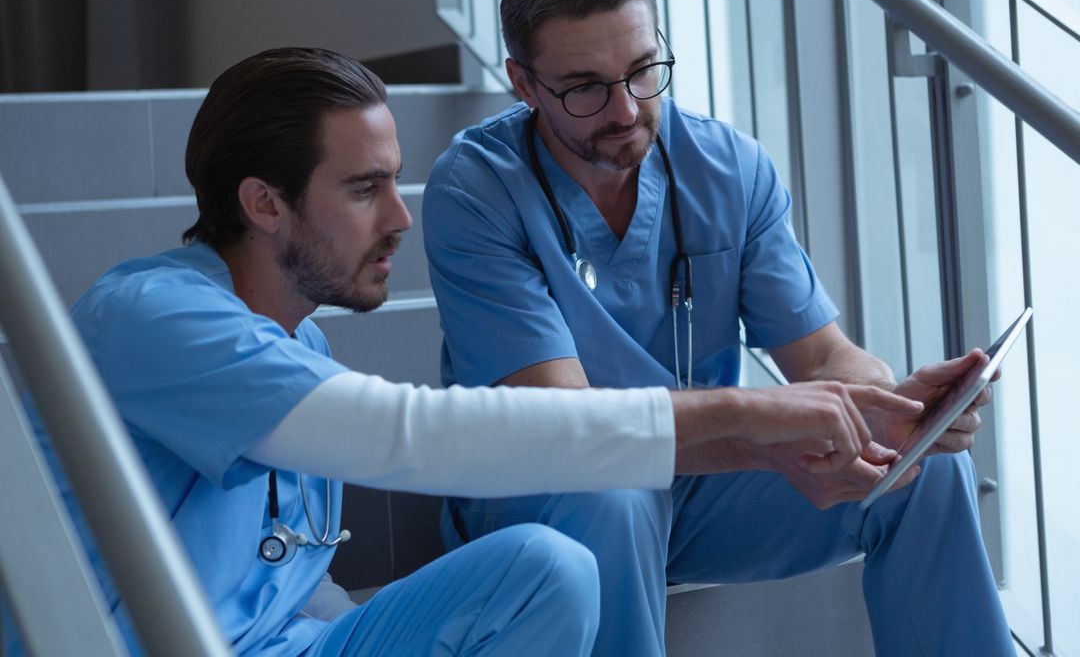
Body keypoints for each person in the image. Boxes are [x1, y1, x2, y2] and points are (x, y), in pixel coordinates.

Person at [4, 47, 914, 657]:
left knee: (544, 569)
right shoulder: (153, 316)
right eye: (365, 190)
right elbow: (408, 434)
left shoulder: (302, 340)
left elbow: (292, 585)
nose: (402, 218)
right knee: (560, 546)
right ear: (264, 202)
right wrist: (750, 414)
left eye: (395, 183)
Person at [421, 0, 1014, 655]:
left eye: (644, 71)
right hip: (545, 496)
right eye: (585, 87)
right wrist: (773, 438)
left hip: (698, 484)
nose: (627, 108)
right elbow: (568, 426)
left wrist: (889, 412)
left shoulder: (728, 168)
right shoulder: (474, 189)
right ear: (522, 82)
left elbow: (823, 354)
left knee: (929, 469)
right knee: (616, 493)